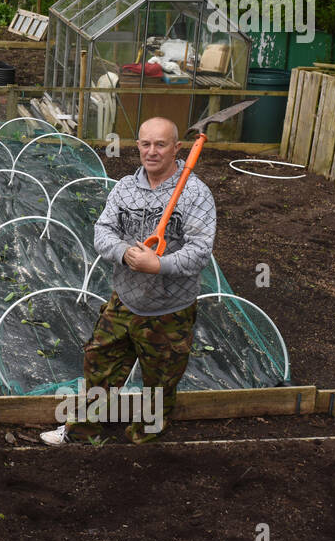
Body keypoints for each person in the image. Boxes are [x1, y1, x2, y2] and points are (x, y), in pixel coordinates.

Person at [41, 117, 215, 445]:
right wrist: (125, 254)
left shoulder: (195, 193)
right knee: (99, 363)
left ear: (177, 148)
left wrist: (158, 264)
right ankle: (81, 431)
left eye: (161, 144)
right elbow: (102, 232)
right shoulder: (125, 187)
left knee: (159, 385)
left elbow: (201, 252)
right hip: (124, 300)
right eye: (145, 144)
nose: (152, 151)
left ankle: (144, 444)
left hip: (170, 311)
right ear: (138, 146)